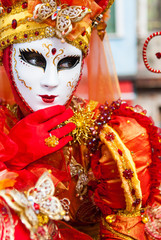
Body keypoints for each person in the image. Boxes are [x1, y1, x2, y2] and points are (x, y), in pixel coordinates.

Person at [0, 0, 161, 239]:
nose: (51, 81)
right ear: (5, 58)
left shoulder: (112, 136)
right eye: (33, 59)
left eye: (67, 63)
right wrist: (10, 156)